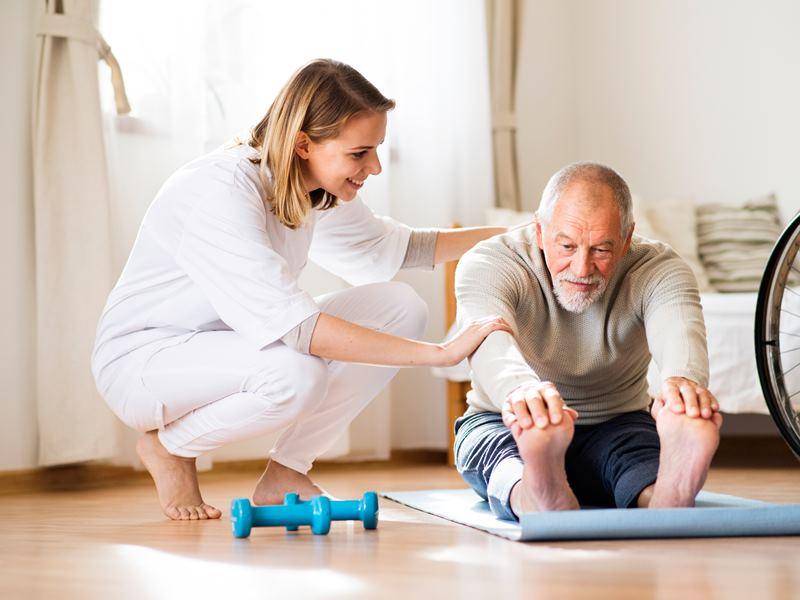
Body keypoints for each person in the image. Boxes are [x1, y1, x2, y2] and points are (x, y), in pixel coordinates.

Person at [91, 59, 510, 521]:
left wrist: (524, 235)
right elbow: (296, 328)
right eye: (359, 154)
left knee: (399, 306)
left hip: (226, 344)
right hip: (145, 359)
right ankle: (169, 448)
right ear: (303, 144)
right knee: (296, 375)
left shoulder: (308, 184)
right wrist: (440, 354)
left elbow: (394, 248)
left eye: (376, 150)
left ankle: (286, 472)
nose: (373, 166)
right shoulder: (219, 189)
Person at [453, 162, 723, 520]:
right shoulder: (490, 262)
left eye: (601, 250)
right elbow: (490, 342)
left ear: (627, 239)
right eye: (566, 245)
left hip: (617, 424)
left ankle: (667, 496)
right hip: (506, 421)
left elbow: (679, 329)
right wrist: (523, 395)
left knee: (636, 459)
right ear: (539, 231)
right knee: (502, 461)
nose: (581, 269)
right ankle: (534, 493)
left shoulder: (659, 269)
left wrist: (682, 386)